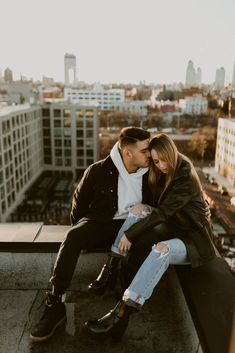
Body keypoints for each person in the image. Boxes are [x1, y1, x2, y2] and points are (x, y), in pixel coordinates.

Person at [83, 133, 217, 341]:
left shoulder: (184, 174)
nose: (160, 165)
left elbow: (163, 213)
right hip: (175, 226)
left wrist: (130, 234)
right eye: (155, 161)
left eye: (163, 159)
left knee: (161, 250)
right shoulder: (162, 170)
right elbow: (159, 208)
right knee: (137, 210)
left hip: (193, 240)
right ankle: (111, 266)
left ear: (171, 153)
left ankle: (121, 313)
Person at [29, 127, 154, 342]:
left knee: (147, 244)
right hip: (103, 222)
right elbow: (78, 206)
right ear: (127, 152)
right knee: (73, 236)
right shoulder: (98, 170)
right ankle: (54, 303)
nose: (150, 154)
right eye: (145, 150)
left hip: (135, 227)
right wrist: (82, 236)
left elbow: (164, 204)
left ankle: (121, 309)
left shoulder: (152, 173)